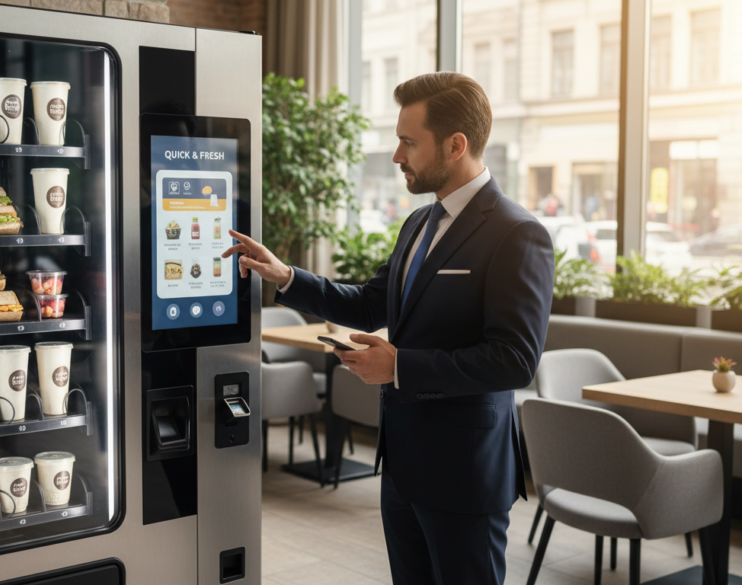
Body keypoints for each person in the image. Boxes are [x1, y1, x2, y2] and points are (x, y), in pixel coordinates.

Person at [223, 72, 554, 584]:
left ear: (455, 145)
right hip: (402, 466)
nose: (397, 156)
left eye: (407, 142)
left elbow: (514, 360)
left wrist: (399, 366)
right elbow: (372, 302)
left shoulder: (517, 233)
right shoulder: (418, 224)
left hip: (464, 475)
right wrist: (286, 276)